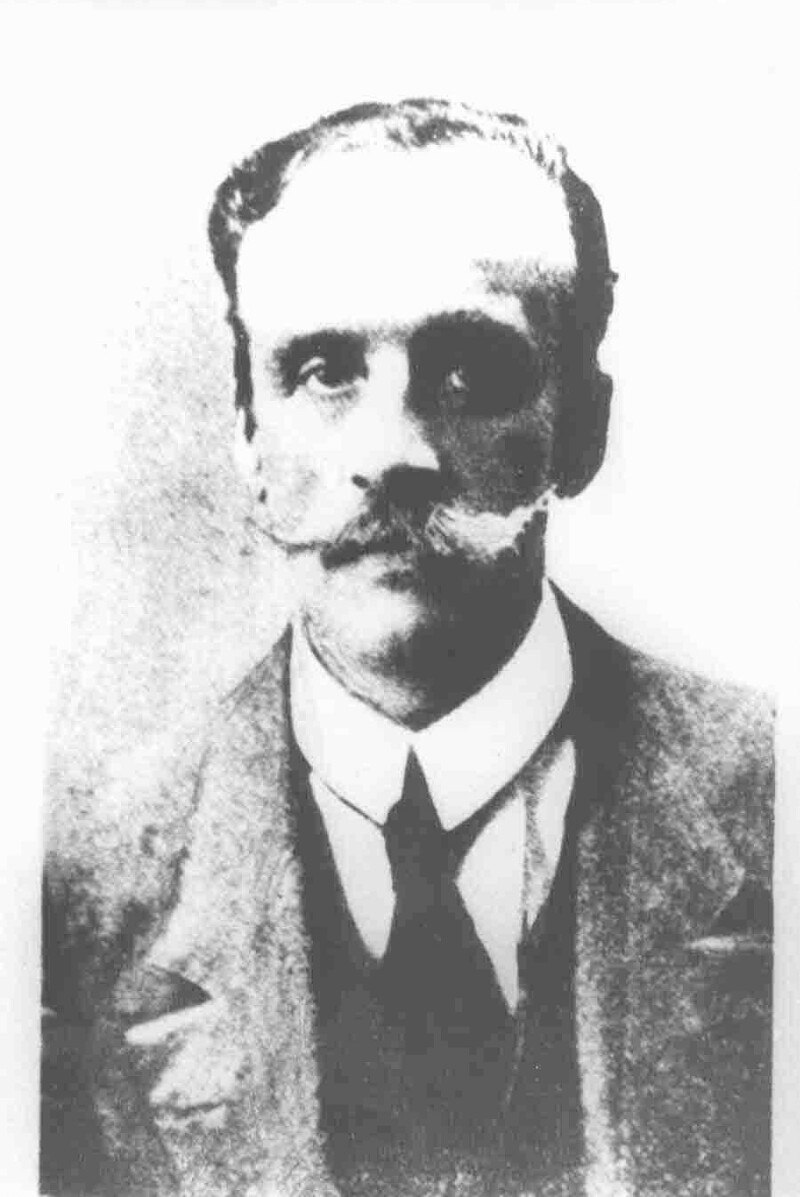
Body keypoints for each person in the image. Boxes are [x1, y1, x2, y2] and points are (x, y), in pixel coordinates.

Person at [42, 98, 774, 1197]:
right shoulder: (72, 897)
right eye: (322, 369)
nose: (392, 451)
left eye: (469, 370)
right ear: (248, 434)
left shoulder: (772, 809)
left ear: (581, 427)